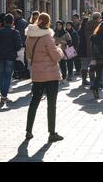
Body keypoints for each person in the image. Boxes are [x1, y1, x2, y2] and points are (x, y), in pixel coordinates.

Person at [25, 13, 65, 142]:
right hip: (51, 75)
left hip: (37, 73)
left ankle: (28, 131)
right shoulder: (47, 37)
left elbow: (29, 56)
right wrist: (59, 50)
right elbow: (56, 57)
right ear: (48, 23)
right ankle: (52, 133)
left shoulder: (29, 37)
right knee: (51, 104)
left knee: (34, 102)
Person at [0, 13, 22, 103]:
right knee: (7, 76)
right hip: (10, 57)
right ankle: (4, 96)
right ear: (12, 22)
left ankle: (3, 95)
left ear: (4, 21)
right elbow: (19, 46)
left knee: (1, 75)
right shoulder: (15, 32)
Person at [13, 9, 29, 80]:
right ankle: (24, 73)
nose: (14, 15)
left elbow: (18, 33)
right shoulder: (24, 21)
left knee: (20, 59)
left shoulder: (19, 22)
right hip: (24, 42)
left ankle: (22, 73)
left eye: (15, 14)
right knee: (23, 59)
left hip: (20, 43)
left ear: (19, 14)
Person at [77, 17, 90, 86]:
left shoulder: (80, 30)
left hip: (81, 49)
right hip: (86, 50)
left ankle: (84, 80)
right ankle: (84, 80)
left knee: (84, 65)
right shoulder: (87, 30)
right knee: (86, 65)